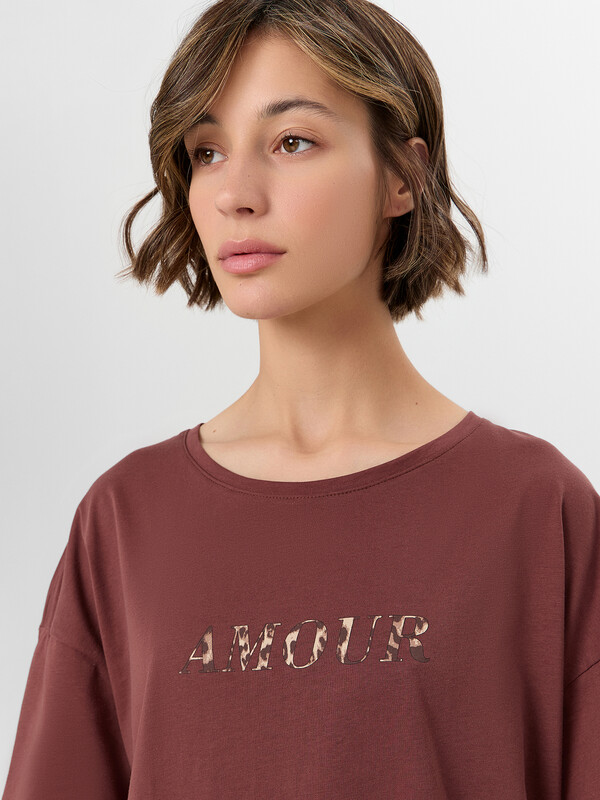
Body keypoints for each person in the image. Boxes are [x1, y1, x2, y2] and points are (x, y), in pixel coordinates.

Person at [2, 0, 599, 798]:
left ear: (403, 177)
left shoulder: (535, 509)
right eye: (207, 151)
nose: (236, 193)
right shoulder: (126, 520)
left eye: (292, 141)